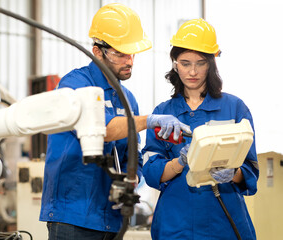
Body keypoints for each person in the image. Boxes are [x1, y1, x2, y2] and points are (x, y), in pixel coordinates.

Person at [39, 3, 190, 240]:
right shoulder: (75, 85)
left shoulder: (127, 99)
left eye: (131, 54)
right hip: (73, 216)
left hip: (112, 218)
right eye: (120, 54)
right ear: (97, 51)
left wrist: (133, 178)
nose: (129, 61)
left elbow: (134, 154)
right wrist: (148, 120)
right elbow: (103, 130)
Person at [142, 18, 258, 240]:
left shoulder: (234, 107)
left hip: (224, 223)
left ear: (212, 63)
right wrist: (180, 162)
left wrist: (232, 174)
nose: (192, 71)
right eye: (185, 63)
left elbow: (251, 170)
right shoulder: (163, 113)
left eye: (200, 63)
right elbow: (151, 171)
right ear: (175, 64)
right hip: (176, 223)